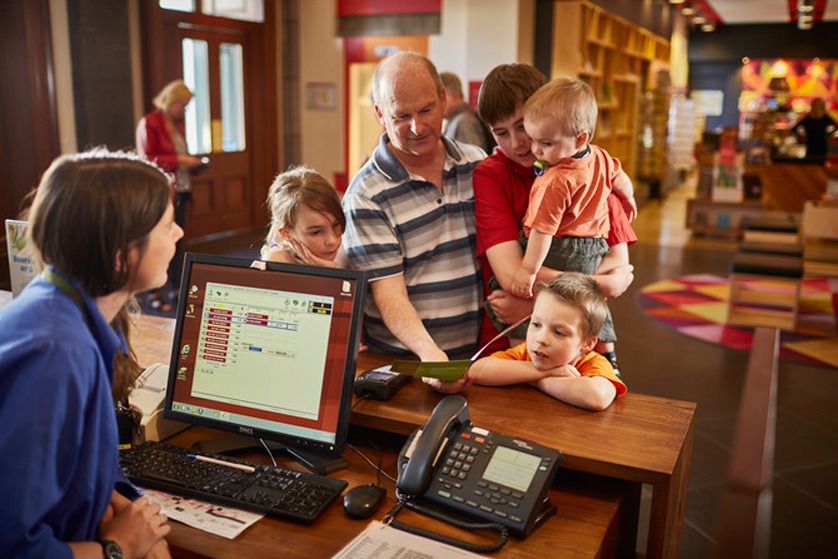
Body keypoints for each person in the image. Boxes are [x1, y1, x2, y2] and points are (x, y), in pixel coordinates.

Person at [0, 149, 179, 558]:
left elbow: (79, 461)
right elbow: (13, 547)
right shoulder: (56, 356)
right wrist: (118, 548)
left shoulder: (63, 310)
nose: (179, 232)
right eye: (166, 225)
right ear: (119, 254)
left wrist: (127, 504)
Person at [473, 64, 635, 373]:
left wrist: (533, 304)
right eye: (501, 133)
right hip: (514, 339)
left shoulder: (590, 166)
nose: (519, 143)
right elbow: (512, 279)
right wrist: (603, 285)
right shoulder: (492, 174)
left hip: (582, 343)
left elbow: (618, 260)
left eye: (523, 127)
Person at [342, 52, 484, 379]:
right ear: (380, 113)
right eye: (401, 116)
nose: (417, 127)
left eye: (426, 111)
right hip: (406, 366)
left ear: (443, 100)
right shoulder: (366, 194)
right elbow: (389, 295)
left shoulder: (477, 165)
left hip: (481, 358)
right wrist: (431, 357)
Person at [511, 77, 637, 300]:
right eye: (533, 140)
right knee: (579, 304)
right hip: (594, 249)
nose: (536, 150)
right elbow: (622, 180)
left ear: (580, 139)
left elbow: (543, 230)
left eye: (546, 143)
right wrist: (629, 200)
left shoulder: (557, 180)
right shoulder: (600, 156)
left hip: (559, 249)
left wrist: (528, 270)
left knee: (540, 298)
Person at [468, 273, 626, 411]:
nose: (541, 339)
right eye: (536, 325)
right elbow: (477, 371)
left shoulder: (592, 363)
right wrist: (545, 371)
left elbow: (596, 397)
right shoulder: (525, 353)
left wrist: (537, 381)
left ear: (587, 343)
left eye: (558, 332)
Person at [136, 79, 204, 311]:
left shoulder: (178, 124)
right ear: (171, 101)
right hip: (161, 191)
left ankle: (176, 288)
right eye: (182, 104)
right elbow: (147, 159)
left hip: (182, 187)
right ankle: (152, 292)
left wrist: (192, 162)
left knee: (177, 240)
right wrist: (181, 160)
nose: (183, 110)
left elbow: (178, 150)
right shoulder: (149, 123)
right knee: (155, 241)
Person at [262, 165, 346, 268]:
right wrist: (331, 272)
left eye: (336, 225)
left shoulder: (343, 245)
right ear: (286, 234)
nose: (332, 240)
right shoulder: (277, 262)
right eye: (316, 232)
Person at [440, 71, 494, 154]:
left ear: (455, 96)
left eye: (442, 98)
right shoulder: (456, 118)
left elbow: (475, 160)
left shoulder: (465, 121)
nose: (439, 103)